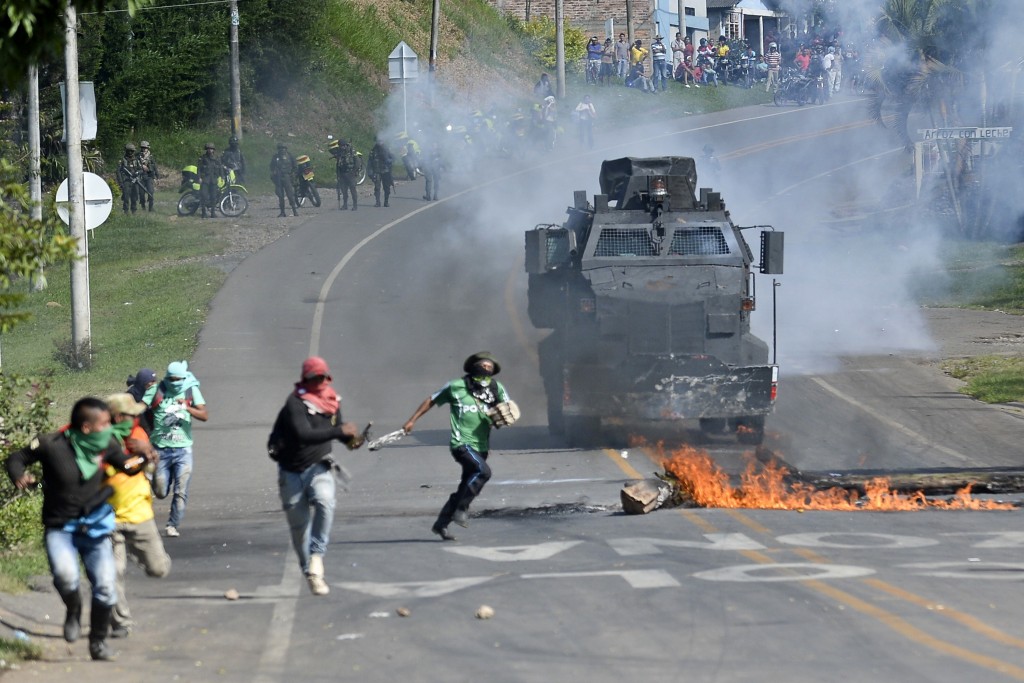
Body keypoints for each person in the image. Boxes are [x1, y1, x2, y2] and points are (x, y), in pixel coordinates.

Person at [5, 397, 134, 661]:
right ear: (86, 427)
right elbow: (16, 458)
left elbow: (127, 465)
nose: (110, 427)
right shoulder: (50, 445)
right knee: (65, 577)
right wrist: (19, 475)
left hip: (96, 527)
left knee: (106, 587)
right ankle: (73, 609)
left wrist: (143, 459)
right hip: (60, 527)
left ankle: (97, 643)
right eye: (105, 423)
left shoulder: (106, 445)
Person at [267, 357, 362, 596]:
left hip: (319, 466)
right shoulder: (295, 403)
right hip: (291, 471)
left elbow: (337, 432)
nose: (318, 382)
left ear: (327, 378)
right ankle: (310, 571)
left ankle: (317, 554)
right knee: (299, 527)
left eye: (322, 377)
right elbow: (303, 434)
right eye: (314, 378)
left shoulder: (332, 401)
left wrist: (352, 440)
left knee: (325, 501)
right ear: (305, 379)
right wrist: (340, 431)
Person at [402, 352, 513, 541]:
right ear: (473, 366)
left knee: (465, 487)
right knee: (483, 472)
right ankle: (461, 510)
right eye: (483, 365)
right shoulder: (456, 386)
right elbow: (431, 400)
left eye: (490, 366)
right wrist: (412, 421)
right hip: (461, 443)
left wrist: (503, 418)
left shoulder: (497, 388)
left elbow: (505, 410)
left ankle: (441, 524)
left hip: (482, 445)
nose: (486, 368)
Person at [105, 393, 171, 639]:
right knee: (112, 573)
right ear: (118, 417)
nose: (136, 418)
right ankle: (121, 622)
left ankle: (138, 551)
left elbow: (150, 469)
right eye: (132, 414)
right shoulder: (99, 440)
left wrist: (149, 454)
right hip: (108, 517)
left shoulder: (140, 435)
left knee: (158, 569)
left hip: (138, 514)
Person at [143, 360, 208, 538]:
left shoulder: (190, 389)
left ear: (184, 378)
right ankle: (159, 484)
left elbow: (204, 415)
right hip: (160, 450)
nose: (174, 382)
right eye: (171, 379)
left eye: (178, 379)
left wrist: (187, 407)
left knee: (181, 491)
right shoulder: (157, 390)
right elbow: (140, 408)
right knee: (161, 491)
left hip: (183, 450)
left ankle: (173, 524)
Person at [270, 143, 299, 217]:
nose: (282, 150)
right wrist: (274, 174)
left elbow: (295, 166)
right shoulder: (275, 157)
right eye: (280, 148)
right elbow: (271, 167)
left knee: (290, 195)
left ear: (286, 149)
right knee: (280, 196)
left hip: (287, 177)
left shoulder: (290, 156)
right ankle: (282, 212)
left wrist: (292, 175)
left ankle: (294, 211)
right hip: (278, 178)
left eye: (284, 148)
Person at [126, 368, 158, 434]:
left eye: (154, 381)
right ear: (142, 384)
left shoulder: (154, 393)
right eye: (151, 383)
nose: (154, 386)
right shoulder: (130, 396)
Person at [197, 142, 224, 219]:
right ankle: (203, 213)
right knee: (204, 196)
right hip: (205, 179)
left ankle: (213, 213)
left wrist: (222, 176)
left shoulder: (216, 158)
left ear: (213, 150)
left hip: (213, 180)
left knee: (213, 197)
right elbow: (199, 169)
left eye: (211, 149)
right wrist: (199, 177)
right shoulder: (203, 158)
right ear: (206, 149)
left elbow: (220, 167)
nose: (210, 150)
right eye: (208, 148)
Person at [117, 143, 143, 215]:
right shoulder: (122, 160)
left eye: (132, 151)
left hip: (135, 180)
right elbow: (118, 172)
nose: (131, 152)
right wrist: (121, 183)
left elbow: (141, 169)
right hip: (126, 181)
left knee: (135, 196)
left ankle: (134, 210)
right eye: (129, 151)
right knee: (126, 196)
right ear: (126, 151)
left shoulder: (137, 160)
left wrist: (137, 172)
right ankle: (126, 211)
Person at [367, 140, 394, 207]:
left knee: (387, 188)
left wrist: (388, 161)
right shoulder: (373, 151)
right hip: (377, 172)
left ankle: (386, 202)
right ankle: (377, 202)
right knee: (377, 187)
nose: (379, 143)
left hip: (386, 171)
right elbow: (370, 162)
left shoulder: (386, 150)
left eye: (381, 142)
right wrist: (370, 172)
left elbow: (392, 158)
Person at [335, 139, 359, 211]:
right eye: (340, 146)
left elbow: (357, 162)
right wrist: (338, 174)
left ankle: (355, 205)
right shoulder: (339, 152)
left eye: (342, 146)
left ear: (345, 145)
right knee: (344, 190)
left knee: (352, 190)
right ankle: (345, 205)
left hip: (350, 173)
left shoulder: (351, 151)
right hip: (342, 173)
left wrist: (354, 171)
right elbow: (338, 164)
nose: (341, 147)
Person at [137, 141, 158, 212]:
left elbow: (155, 167)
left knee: (150, 192)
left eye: (145, 148)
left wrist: (157, 177)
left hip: (149, 176)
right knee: (141, 194)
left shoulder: (151, 157)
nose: (144, 149)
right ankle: (143, 207)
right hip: (140, 177)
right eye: (142, 148)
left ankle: (151, 208)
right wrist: (141, 166)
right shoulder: (137, 156)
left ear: (148, 148)